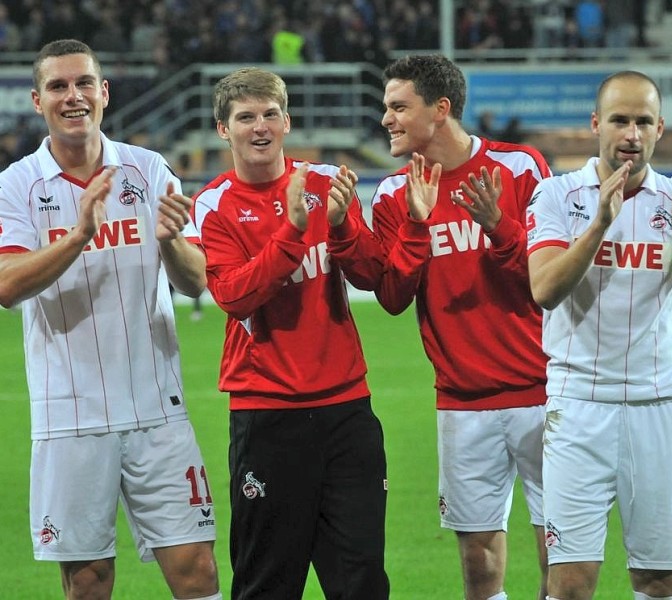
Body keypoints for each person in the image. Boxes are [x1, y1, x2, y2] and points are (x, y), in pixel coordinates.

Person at [0, 39, 221, 600]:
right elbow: (6, 285)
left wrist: (171, 242)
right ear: (37, 100)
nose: (72, 96)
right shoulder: (16, 185)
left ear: (104, 92)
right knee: (88, 582)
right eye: (58, 86)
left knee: (197, 568)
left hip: (156, 407)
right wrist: (77, 236)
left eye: (83, 84)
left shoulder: (148, 170)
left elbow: (196, 281)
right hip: (69, 413)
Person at [191, 67, 389, 600]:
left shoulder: (325, 182)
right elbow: (234, 295)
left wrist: (345, 225)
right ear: (222, 130)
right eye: (245, 117)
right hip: (268, 413)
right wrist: (293, 232)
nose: (260, 127)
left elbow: (376, 279)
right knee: (267, 583)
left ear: (287, 121)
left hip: (347, 408)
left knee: (363, 579)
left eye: (270, 115)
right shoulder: (215, 205)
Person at [527, 71, 672, 600]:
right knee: (568, 583)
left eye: (642, 121)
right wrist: (597, 226)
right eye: (619, 120)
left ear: (660, 128)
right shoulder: (556, 195)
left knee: (658, 582)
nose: (631, 133)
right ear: (596, 124)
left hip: (658, 407)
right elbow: (543, 289)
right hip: (577, 410)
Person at [372, 54, 552, 600]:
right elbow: (393, 297)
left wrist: (500, 228)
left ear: (440, 109)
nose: (387, 119)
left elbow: (548, 280)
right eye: (386, 107)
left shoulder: (520, 168)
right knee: (477, 564)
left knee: (560, 552)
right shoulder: (391, 195)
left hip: (543, 391)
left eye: (399, 107)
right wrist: (415, 223)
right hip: (461, 400)